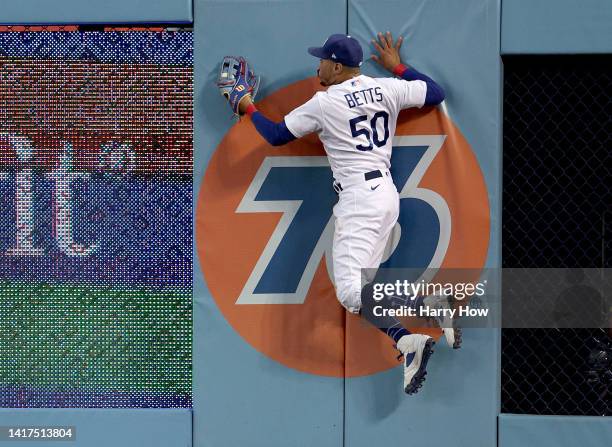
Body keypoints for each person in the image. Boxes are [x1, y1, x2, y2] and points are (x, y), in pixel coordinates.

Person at [225, 32, 453, 394]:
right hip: (386, 195)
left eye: (321, 60)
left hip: (360, 200)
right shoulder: (386, 88)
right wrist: (397, 67)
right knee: (361, 291)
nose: (317, 66)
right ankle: (418, 318)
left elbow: (276, 136)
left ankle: (412, 331)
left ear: (335, 65)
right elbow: (435, 93)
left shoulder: (325, 102)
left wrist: (247, 105)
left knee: (350, 295)